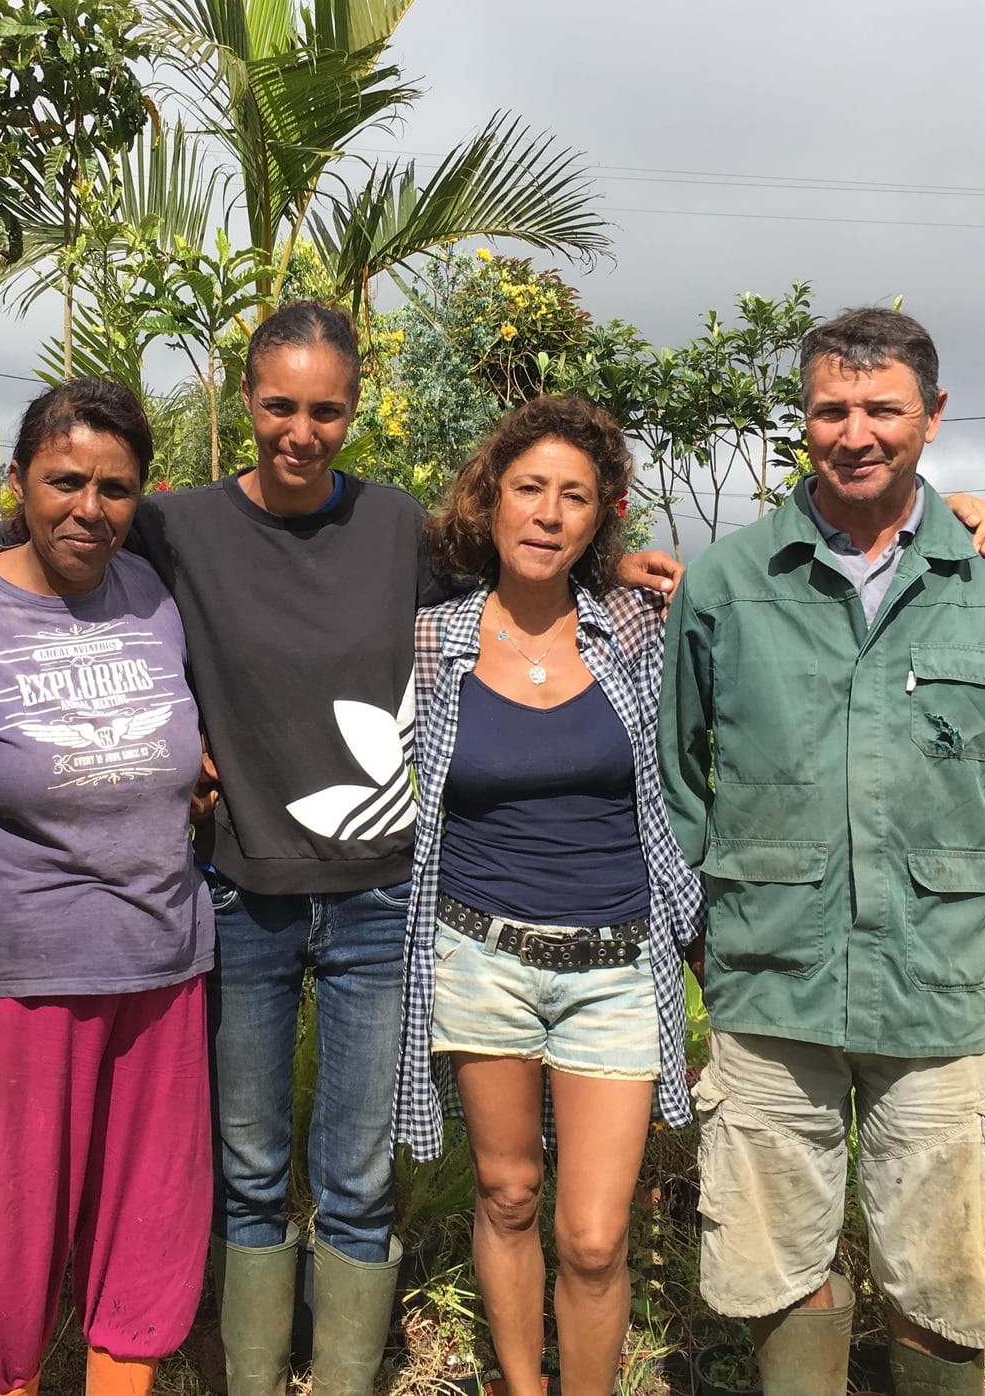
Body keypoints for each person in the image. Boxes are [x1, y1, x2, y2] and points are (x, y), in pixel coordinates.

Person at [0, 300, 985, 1396]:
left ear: (353, 409)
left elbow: (526, 575)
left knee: (355, 1172)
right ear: (242, 402)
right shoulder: (174, 520)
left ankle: (336, 1375)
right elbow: (32, 529)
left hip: (382, 900)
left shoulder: (394, 529)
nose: (299, 431)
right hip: (239, 895)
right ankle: (246, 1371)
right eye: (278, 406)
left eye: (325, 410)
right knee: (246, 1170)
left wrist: (947, 512)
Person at [657, 307, 985, 1396]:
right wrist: (687, 938)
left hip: (934, 982)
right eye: (829, 409)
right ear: (800, 420)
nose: (853, 432)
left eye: (880, 409)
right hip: (769, 982)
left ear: (931, 416)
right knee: (776, 1261)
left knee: (947, 1274)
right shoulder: (725, 582)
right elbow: (672, 781)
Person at [393, 397, 701, 1396]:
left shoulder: (634, 626)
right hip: (478, 957)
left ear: (599, 518)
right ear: (488, 501)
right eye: (528, 489)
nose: (546, 515)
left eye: (573, 498)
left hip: (614, 966)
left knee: (596, 1232)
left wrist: (952, 508)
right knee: (508, 1192)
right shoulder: (431, 642)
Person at [0, 379, 214, 1396]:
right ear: (16, 484)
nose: (88, 508)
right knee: (3, 1261)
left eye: (115, 487)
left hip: (161, 970)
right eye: (63, 481)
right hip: (12, 982)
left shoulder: (158, 597)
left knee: (141, 1252)